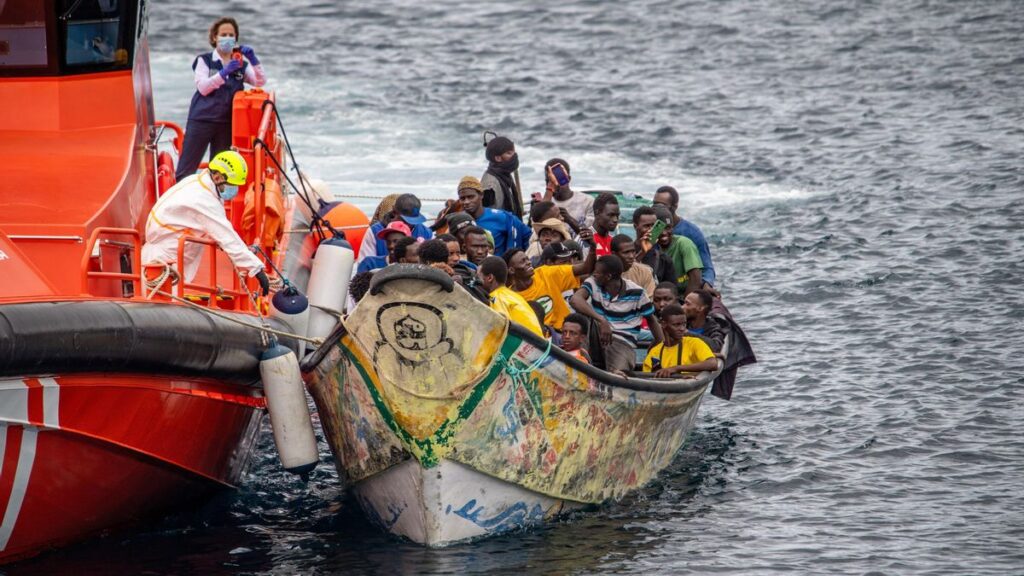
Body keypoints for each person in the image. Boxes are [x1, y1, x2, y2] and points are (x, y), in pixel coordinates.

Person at [143, 150, 269, 295]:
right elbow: (227, 237)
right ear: (217, 177)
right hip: (166, 258)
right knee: (164, 298)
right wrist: (256, 269)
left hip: (167, 250)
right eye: (231, 184)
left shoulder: (197, 182)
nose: (234, 189)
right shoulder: (203, 200)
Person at [175, 17, 267, 182]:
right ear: (214, 37)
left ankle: (214, 197)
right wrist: (224, 72)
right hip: (202, 120)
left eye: (231, 35)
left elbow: (259, 82)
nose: (227, 38)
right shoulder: (204, 60)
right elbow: (203, 87)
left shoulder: (240, 64)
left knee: (220, 172)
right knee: (186, 169)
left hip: (226, 123)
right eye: (223, 35)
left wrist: (254, 60)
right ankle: (182, 195)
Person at [570, 255, 662, 374]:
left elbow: (651, 320)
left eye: (597, 272)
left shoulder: (637, 292)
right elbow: (575, 300)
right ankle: (582, 357)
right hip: (598, 334)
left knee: (618, 374)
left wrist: (657, 345)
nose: (594, 274)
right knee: (582, 314)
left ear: (608, 276)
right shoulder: (593, 282)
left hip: (622, 342)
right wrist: (602, 320)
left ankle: (615, 372)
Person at [504, 229, 595, 339]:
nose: (528, 262)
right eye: (523, 261)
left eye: (527, 259)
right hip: (537, 340)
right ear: (512, 270)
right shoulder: (509, 297)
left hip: (564, 335)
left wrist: (592, 247)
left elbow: (586, 268)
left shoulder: (545, 273)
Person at [653, 185, 717, 286]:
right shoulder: (651, 229)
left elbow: (707, 267)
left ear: (675, 206)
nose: (658, 208)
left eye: (663, 205)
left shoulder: (691, 232)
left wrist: (706, 284)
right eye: (655, 204)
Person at [457, 176, 531, 257]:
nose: (466, 202)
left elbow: (529, 237)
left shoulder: (502, 217)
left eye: (471, 197)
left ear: (481, 195)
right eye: (462, 198)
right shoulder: (458, 223)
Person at [642, 304, 718, 378]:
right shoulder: (655, 352)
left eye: (684, 324)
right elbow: (647, 378)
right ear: (664, 324)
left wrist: (676, 368)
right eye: (676, 325)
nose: (682, 329)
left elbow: (713, 363)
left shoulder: (694, 343)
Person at [357, 193, 433, 266]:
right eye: (406, 221)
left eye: (414, 221)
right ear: (394, 212)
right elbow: (363, 264)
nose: (410, 225)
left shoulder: (427, 233)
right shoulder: (374, 232)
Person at [477, 256, 544, 337]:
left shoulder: (496, 298)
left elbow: (499, 330)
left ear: (490, 278)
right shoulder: (514, 295)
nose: (475, 280)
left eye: (478, 277)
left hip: (526, 343)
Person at [653, 205, 703, 297]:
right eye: (660, 229)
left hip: (682, 296)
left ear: (673, 227)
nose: (664, 233)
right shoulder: (648, 247)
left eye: (668, 228)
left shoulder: (684, 244)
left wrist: (684, 303)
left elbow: (695, 278)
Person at [542, 158, 594, 234]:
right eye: (550, 181)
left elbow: (591, 234)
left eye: (557, 179)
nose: (555, 184)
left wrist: (569, 220)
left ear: (568, 178)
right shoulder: (545, 204)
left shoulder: (588, 201)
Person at [480, 136, 524, 217]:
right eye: (509, 153)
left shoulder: (505, 175)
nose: (514, 156)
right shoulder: (490, 185)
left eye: (513, 152)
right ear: (498, 158)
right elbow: (488, 215)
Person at [591, 193, 620, 257]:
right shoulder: (586, 240)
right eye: (611, 215)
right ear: (597, 213)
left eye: (617, 215)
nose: (615, 220)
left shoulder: (613, 241)